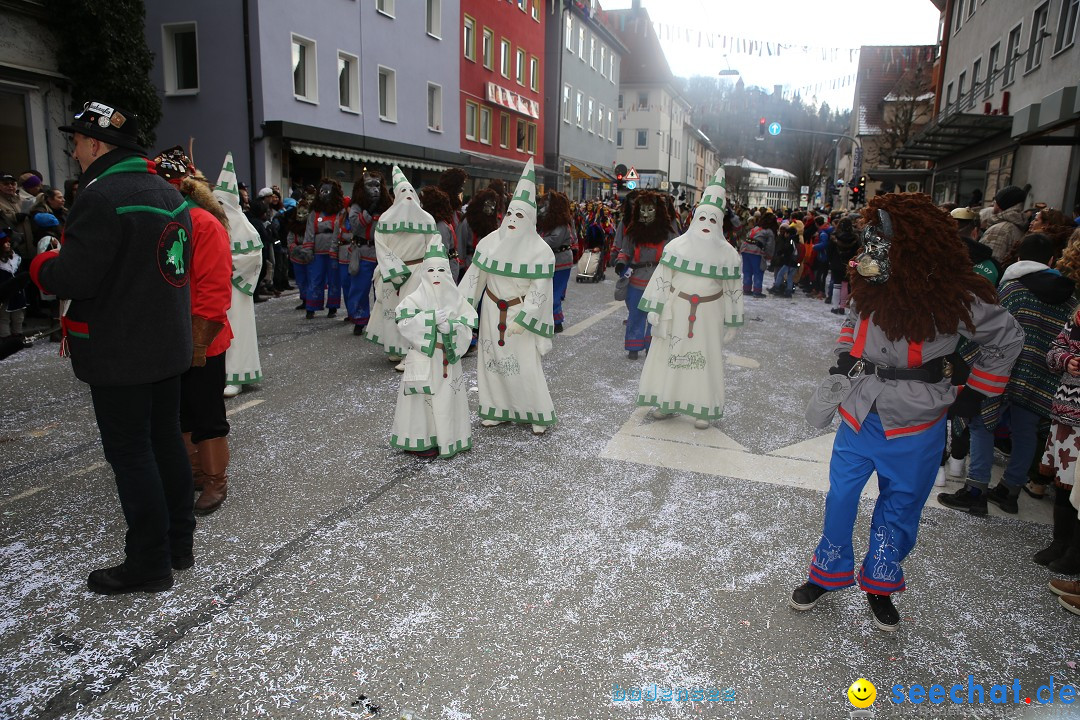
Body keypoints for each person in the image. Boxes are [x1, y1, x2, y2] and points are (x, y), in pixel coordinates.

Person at [793, 193, 1023, 631]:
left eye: (880, 235)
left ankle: (879, 583)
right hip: (860, 411)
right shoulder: (870, 278)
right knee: (840, 497)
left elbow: (1007, 339)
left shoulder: (954, 293)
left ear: (913, 244)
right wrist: (846, 355)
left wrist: (976, 391)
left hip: (917, 420)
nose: (870, 245)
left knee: (899, 507)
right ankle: (826, 574)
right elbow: (852, 320)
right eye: (871, 234)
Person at [30, 100, 195, 594]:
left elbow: (77, 275)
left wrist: (43, 264)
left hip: (122, 349)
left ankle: (149, 561)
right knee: (165, 442)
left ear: (97, 144)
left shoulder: (102, 197)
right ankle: (177, 544)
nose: (74, 151)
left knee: (132, 453)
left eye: (77, 141)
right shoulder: (169, 194)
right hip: (166, 345)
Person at [939, 233, 1076, 516]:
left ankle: (975, 490)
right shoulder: (1069, 296)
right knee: (1025, 429)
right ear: (1051, 260)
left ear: (1016, 258)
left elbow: (987, 332)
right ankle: (1010, 491)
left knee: (981, 422)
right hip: (1042, 372)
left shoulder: (1013, 289)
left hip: (1002, 368)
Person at [153, 145, 234, 516]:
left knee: (206, 411)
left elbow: (215, 288)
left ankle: (215, 480)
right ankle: (195, 473)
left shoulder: (202, 222)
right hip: (170, 334)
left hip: (204, 336)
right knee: (181, 410)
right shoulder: (162, 218)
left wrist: (199, 340)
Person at [636, 169, 743, 429]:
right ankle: (667, 401)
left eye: (712, 219)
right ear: (694, 219)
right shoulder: (676, 247)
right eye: (702, 217)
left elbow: (733, 290)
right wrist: (656, 307)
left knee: (705, 359)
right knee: (671, 355)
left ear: (720, 223)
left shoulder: (729, 256)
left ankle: (703, 409)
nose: (706, 223)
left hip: (710, 314)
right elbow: (663, 278)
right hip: (678, 309)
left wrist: (731, 321)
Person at [459, 158, 557, 435]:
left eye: (520, 216)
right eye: (510, 214)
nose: (513, 220)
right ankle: (497, 409)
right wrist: (463, 308)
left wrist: (525, 319)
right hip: (491, 311)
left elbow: (540, 291)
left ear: (531, 220)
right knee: (492, 364)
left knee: (525, 366)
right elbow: (475, 278)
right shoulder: (489, 243)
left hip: (518, 315)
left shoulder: (540, 252)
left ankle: (535, 412)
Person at [389, 237, 477, 458]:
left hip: (447, 362)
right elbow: (403, 320)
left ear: (447, 271)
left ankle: (448, 438)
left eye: (440, 270)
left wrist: (451, 328)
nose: (435, 275)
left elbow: (468, 324)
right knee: (421, 401)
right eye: (430, 270)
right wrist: (428, 319)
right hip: (424, 359)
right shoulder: (416, 297)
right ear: (423, 272)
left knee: (447, 399)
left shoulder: (456, 298)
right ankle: (422, 440)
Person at [365, 167, 438, 370]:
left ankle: (412, 353)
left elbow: (433, 248)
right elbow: (382, 248)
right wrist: (394, 270)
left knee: (412, 314)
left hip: (414, 272)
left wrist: (433, 272)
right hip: (395, 273)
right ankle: (397, 350)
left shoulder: (425, 219)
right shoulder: (386, 221)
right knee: (393, 314)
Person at [213, 153, 263, 398]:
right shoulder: (211, 222)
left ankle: (237, 375)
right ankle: (217, 373)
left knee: (236, 331)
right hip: (214, 287)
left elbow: (254, 256)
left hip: (235, 288)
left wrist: (227, 267)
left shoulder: (244, 225)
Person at [614, 191, 676, 359]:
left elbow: (675, 251)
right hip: (637, 278)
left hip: (658, 279)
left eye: (650, 209)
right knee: (635, 313)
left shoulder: (668, 232)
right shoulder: (633, 231)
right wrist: (621, 261)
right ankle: (633, 346)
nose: (646, 214)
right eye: (642, 209)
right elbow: (626, 250)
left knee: (655, 315)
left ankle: (651, 346)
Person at [346, 171, 391, 335]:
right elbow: (356, 226)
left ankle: (382, 320)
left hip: (382, 253)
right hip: (363, 251)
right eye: (370, 186)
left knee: (382, 289)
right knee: (359, 288)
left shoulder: (387, 207)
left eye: (377, 185)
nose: (375, 190)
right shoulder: (357, 206)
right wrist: (368, 213)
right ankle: (359, 320)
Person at [537, 190, 575, 333]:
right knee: (546, 292)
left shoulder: (561, 222)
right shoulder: (545, 221)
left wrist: (535, 241)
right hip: (549, 260)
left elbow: (554, 239)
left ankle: (556, 321)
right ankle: (552, 320)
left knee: (554, 293)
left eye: (546, 204)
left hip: (560, 260)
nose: (542, 207)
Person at [980, 185, 1028, 265]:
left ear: (1000, 205)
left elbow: (988, 265)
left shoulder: (999, 230)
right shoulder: (1018, 226)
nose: (993, 204)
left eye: (995, 201)